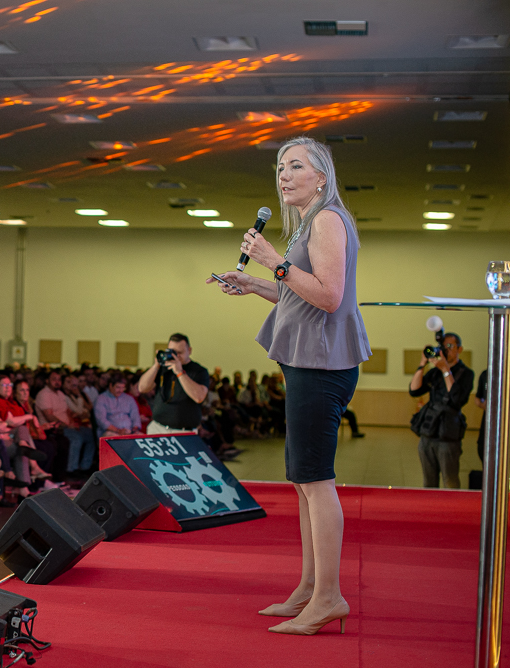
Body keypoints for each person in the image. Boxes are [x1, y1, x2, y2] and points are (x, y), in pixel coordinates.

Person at [208, 136, 371, 635]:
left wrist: (270, 261)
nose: (283, 174)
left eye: (295, 165)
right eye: (280, 166)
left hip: (322, 366)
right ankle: (308, 588)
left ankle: (328, 597)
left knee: (315, 480)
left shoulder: (326, 219)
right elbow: (294, 294)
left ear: (321, 176)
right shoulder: (309, 222)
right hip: (307, 360)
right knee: (302, 480)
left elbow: (328, 296)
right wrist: (256, 284)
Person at [409, 333, 474, 489]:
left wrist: (445, 369)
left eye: (450, 346)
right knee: (428, 481)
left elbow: (456, 399)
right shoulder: (435, 372)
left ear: (460, 349)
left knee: (449, 480)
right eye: (444, 347)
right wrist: (422, 364)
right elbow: (414, 390)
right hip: (428, 432)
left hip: (448, 435)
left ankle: (452, 510)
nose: (446, 350)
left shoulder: (466, 373)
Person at [137, 335, 210, 435]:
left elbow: (199, 397)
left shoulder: (199, 371)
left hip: (184, 431)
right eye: (172, 352)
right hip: (158, 428)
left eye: (179, 352)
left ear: (189, 350)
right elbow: (142, 388)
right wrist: (156, 366)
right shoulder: (164, 367)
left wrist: (180, 373)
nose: (176, 356)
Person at [36, 371, 97, 476]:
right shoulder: (44, 394)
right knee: (76, 438)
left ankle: (85, 467)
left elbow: (67, 411)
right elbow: (49, 416)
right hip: (54, 428)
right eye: (54, 379)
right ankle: (71, 470)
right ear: (47, 381)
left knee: (91, 435)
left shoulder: (60, 394)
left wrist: (73, 423)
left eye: (59, 379)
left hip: (67, 426)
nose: (57, 382)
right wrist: (68, 425)